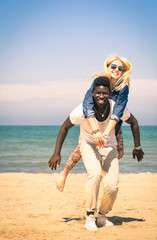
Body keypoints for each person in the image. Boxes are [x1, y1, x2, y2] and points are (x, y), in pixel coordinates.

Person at [48, 77, 144, 231]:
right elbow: (64, 128)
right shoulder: (81, 110)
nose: (101, 96)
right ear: (92, 93)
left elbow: (134, 122)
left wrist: (137, 146)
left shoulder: (116, 107)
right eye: (98, 93)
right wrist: (56, 153)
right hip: (88, 145)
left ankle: (102, 215)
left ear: (109, 93)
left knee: (113, 186)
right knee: (95, 175)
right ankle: (90, 216)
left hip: (110, 146)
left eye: (105, 93)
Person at [54, 55, 132, 191]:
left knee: (118, 154)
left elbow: (118, 112)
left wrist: (106, 134)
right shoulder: (98, 82)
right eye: (113, 66)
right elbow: (87, 103)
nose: (116, 70)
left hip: (112, 126)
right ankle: (65, 173)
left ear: (123, 71)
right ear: (107, 67)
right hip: (94, 121)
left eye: (120, 68)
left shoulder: (123, 88)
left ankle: (101, 174)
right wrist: (96, 131)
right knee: (82, 149)